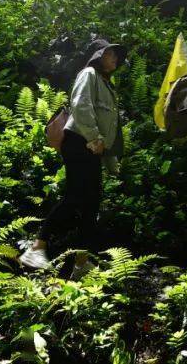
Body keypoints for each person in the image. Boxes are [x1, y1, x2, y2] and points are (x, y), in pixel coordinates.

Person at [21, 38, 127, 274]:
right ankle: (36, 247)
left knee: (91, 204)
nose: (115, 59)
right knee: (76, 197)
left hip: (92, 147)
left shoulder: (106, 85)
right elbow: (80, 105)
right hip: (80, 143)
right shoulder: (89, 74)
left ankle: (81, 262)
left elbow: (111, 127)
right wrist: (94, 138)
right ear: (99, 56)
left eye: (116, 56)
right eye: (111, 54)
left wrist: (109, 158)